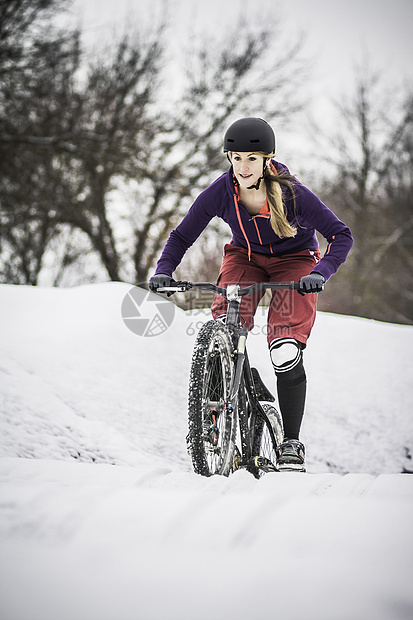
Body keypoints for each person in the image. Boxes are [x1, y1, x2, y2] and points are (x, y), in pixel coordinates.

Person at [149, 117, 353, 471]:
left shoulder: (292, 194)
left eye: (251, 159)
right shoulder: (220, 192)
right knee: (222, 331)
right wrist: (164, 271)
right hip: (244, 260)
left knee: (285, 349)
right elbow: (182, 236)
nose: (243, 166)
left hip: (295, 265)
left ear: (267, 160)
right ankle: (212, 423)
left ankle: (291, 442)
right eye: (237, 157)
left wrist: (319, 274)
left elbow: (341, 235)